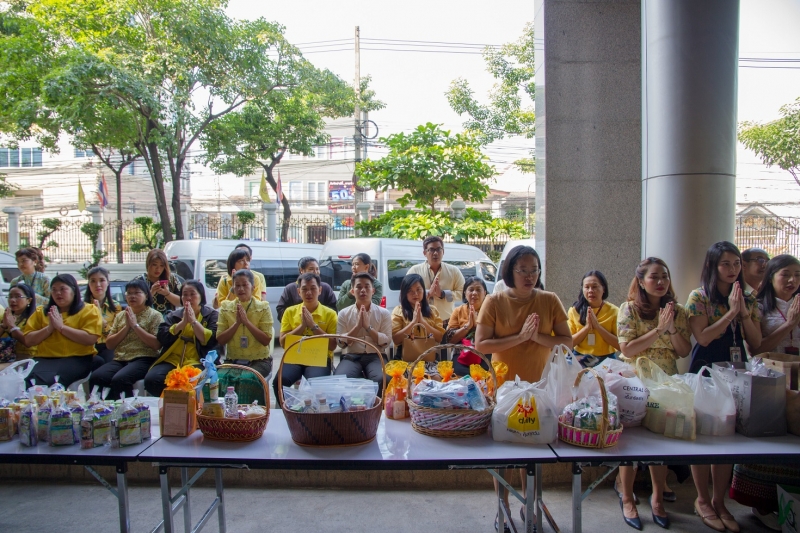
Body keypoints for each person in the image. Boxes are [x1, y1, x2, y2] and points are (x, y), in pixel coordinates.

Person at [474, 245, 571, 532]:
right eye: (523, 270)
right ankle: (502, 507)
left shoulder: (550, 300)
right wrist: (519, 338)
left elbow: (567, 341)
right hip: (503, 387)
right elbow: (481, 345)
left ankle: (529, 503)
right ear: (510, 272)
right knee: (503, 447)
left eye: (534, 270)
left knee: (533, 445)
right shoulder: (494, 301)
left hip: (539, 387)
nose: (530, 276)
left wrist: (536, 337)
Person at [686, 241, 762, 533]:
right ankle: (702, 499)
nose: (732, 270)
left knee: (727, 435)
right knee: (703, 434)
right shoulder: (699, 297)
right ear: (713, 267)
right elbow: (702, 338)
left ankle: (720, 501)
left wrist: (742, 313)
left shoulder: (747, 297)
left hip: (736, 369)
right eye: (725, 264)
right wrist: (730, 313)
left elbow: (754, 342)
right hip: (706, 367)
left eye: (736, 264)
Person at [615, 257, 692, 530]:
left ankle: (657, 498)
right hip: (635, 382)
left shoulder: (678, 311)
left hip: (666, 382)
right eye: (654, 277)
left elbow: (683, 351)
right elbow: (627, 349)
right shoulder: (629, 310)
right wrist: (658, 329)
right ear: (641, 281)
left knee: (661, 440)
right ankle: (627, 497)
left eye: (665, 277)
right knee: (630, 444)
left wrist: (670, 328)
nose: (661, 282)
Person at [730, 254, 800, 530]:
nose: (793, 280)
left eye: (797, 275)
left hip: (797, 385)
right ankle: (762, 504)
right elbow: (758, 348)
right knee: (769, 442)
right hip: (768, 383)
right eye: (786, 274)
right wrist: (790, 324)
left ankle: (791, 503)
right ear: (771, 277)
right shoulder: (758, 307)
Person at [12, 274, 102, 387]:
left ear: (74, 291)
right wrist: (49, 328)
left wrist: (61, 327)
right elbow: (29, 340)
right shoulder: (42, 312)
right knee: (25, 381)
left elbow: (90, 338)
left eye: (62, 289)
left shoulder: (88, 310)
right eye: (54, 290)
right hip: (45, 358)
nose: (58, 293)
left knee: (48, 382)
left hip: (77, 358)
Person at [90, 279, 163, 399]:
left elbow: (156, 345)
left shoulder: (155, 315)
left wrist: (135, 326)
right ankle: (104, 411)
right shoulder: (121, 316)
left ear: (146, 295)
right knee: (97, 376)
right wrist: (127, 327)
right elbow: (110, 345)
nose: (132, 296)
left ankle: (128, 413)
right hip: (121, 358)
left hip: (144, 358)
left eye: (137, 293)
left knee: (120, 379)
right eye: (129, 293)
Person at [144, 280, 218, 397]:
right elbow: (162, 337)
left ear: (201, 296)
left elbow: (211, 340)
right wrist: (182, 323)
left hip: (197, 359)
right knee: (152, 380)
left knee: (195, 382)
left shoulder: (211, 315)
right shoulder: (173, 315)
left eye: (192, 294)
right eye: (184, 294)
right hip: (172, 359)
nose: (188, 298)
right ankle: (172, 405)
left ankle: (188, 408)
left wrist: (193, 322)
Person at [274, 272, 337, 404]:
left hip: (319, 358)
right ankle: (288, 411)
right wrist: (302, 326)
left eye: (313, 288)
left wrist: (313, 326)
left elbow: (332, 345)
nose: (309, 293)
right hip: (295, 357)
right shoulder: (290, 312)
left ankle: (312, 415)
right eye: (304, 289)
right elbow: (283, 342)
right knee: (279, 381)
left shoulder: (330, 314)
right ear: (298, 291)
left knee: (315, 384)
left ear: (320, 290)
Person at [335, 272, 392, 394]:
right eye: (359, 287)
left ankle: (376, 410)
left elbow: (387, 341)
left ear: (373, 290)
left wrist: (368, 327)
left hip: (376, 356)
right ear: (352, 291)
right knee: (340, 379)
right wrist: (357, 327)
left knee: (384, 379)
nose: (363, 290)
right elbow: (340, 343)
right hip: (352, 356)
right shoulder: (344, 313)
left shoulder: (383, 313)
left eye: (367, 287)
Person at [216, 269, 274, 379]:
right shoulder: (225, 307)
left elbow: (266, 340)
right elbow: (220, 340)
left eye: (245, 285)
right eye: (237, 285)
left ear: (253, 287)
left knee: (246, 379)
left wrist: (246, 322)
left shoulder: (263, 307)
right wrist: (237, 323)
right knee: (220, 378)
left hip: (259, 361)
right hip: (233, 360)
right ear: (233, 288)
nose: (241, 289)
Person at [408, 236, 465, 328]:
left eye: (438, 249)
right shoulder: (414, 271)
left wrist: (443, 294)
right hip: (422, 322)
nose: (435, 253)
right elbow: (406, 293)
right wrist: (427, 293)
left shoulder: (454, 271)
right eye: (431, 250)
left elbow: (463, 293)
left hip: (447, 323)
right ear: (424, 253)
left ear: (443, 252)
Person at [568, 270, 620, 368]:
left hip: (607, 359)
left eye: (595, 287)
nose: (590, 290)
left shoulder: (614, 311)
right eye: (587, 287)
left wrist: (597, 327)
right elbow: (568, 342)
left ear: (603, 289)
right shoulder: (574, 311)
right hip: (580, 358)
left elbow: (620, 345)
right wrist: (587, 327)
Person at [391, 273, 445, 361]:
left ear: (423, 291)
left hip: (429, 357)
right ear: (404, 293)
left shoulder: (433, 310)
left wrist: (422, 321)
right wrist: (414, 322)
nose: (415, 294)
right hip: (404, 358)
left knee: (437, 375)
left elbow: (439, 338)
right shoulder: (398, 311)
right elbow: (396, 340)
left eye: (418, 289)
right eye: (410, 291)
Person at [445, 276, 490, 377]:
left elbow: (495, 336)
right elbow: (450, 339)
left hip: (485, 354)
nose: (474, 293)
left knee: (485, 374)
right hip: (462, 354)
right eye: (471, 289)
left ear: (485, 293)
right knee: (459, 372)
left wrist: (478, 325)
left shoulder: (490, 311)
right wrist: (468, 326)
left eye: (478, 290)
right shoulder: (458, 311)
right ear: (465, 293)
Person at [276, 257, 337, 321]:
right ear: (301, 270)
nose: (315, 272)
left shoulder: (325, 287)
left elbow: (333, 308)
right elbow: (280, 309)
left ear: (320, 290)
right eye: (311, 269)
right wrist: (297, 319)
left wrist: (315, 318)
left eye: (317, 269)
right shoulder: (290, 288)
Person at [83, 267, 121, 371]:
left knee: (111, 364)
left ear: (108, 282)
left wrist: (100, 317)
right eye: (93, 281)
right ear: (89, 284)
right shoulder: (82, 306)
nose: (98, 285)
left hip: (107, 346)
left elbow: (115, 333)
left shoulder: (116, 306)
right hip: (87, 347)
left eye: (102, 280)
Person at [134, 249, 183, 316]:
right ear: (148, 264)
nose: (158, 269)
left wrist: (167, 294)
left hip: (168, 321)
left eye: (161, 265)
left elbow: (181, 302)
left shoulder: (172, 279)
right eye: (154, 265)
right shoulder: (139, 281)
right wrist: (151, 293)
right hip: (147, 321)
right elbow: (135, 305)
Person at [0, 283, 38, 370]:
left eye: (18, 296)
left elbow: (29, 343)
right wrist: (4, 326)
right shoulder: (4, 316)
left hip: (25, 359)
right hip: (4, 358)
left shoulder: (35, 318)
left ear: (29, 300)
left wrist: (12, 326)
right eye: (10, 296)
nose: (13, 300)